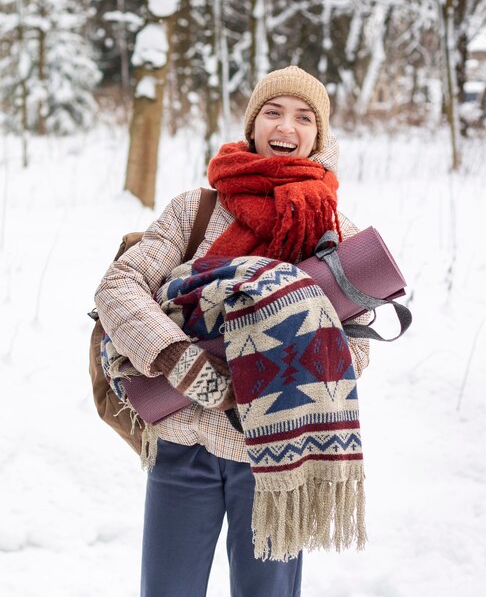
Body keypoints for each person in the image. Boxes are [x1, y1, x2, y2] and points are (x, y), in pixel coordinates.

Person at [95, 65, 371, 597]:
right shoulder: (194, 212)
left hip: (278, 460)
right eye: (273, 111)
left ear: (319, 135)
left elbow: (356, 350)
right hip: (183, 442)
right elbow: (119, 287)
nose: (286, 126)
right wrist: (178, 358)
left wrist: (266, 360)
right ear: (252, 124)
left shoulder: (333, 230)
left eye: (303, 117)